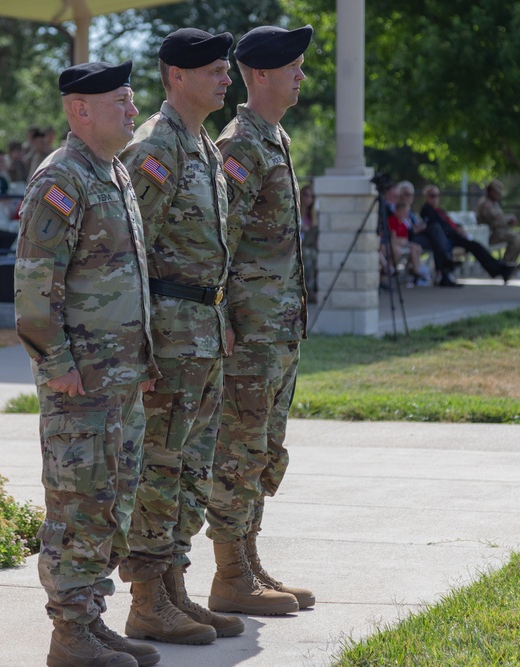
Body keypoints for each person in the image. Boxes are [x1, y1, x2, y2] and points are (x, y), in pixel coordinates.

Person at [13, 60, 161, 667]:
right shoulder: (62, 178)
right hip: (82, 385)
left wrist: (143, 359)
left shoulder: (115, 172)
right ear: (81, 110)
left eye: (132, 101)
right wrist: (59, 368)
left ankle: (92, 622)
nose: (133, 111)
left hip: (120, 381)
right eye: (122, 101)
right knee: (78, 504)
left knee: (113, 500)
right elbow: (31, 288)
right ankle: (69, 636)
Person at [116, 28, 242, 646]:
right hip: (168, 336)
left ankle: (175, 592)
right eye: (216, 71)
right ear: (176, 77)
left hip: (205, 333)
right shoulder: (154, 149)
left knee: (193, 468)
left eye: (226, 70)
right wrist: (140, 346)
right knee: (160, 469)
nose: (227, 79)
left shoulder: (204, 147)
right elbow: (132, 254)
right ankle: (145, 601)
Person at [206, 24, 316, 618]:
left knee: (266, 448)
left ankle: (248, 561)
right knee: (240, 450)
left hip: (277, 329)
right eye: (293, 66)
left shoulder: (275, 138)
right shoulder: (240, 145)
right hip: (248, 331)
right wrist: (222, 315)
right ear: (261, 74)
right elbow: (220, 237)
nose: (301, 75)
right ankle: (229, 576)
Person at [420, 185, 516, 283]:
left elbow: (449, 222)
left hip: (455, 235)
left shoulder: (439, 210)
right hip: (447, 238)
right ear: (426, 197)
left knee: (476, 246)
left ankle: (499, 269)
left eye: (437, 195)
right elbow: (436, 227)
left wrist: (459, 228)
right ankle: (500, 269)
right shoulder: (427, 210)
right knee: (475, 246)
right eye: (432, 195)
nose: (435, 198)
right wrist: (455, 230)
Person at [395, 181, 462, 287]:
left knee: (436, 239)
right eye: (407, 194)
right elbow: (401, 230)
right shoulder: (398, 210)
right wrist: (417, 229)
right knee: (435, 231)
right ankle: (445, 267)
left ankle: (444, 274)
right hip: (408, 239)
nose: (410, 197)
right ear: (400, 195)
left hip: (416, 238)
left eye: (412, 194)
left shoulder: (410, 212)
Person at [381, 192, 428, 286]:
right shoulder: (392, 220)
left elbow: (405, 239)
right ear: (397, 211)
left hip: (401, 243)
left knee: (416, 247)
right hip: (392, 244)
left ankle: (415, 270)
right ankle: (387, 273)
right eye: (404, 212)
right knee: (397, 251)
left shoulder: (403, 223)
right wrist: (402, 241)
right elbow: (393, 238)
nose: (406, 214)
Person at [476, 179, 520, 265]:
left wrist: (508, 221)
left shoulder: (494, 203)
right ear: (491, 191)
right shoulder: (486, 204)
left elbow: (500, 219)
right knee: (516, 239)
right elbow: (495, 221)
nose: (499, 195)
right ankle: (505, 264)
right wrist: (509, 219)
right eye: (497, 193)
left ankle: (510, 262)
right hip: (490, 235)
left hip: (499, 233)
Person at [299, 184, 319, 302]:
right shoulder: (297, 212)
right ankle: (309, 290)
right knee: (307, 254)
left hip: (309, 246)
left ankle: (314, 287)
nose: (308, 198)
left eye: (311, 196)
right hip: (300, 247)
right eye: (305, 195)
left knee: (315, 255)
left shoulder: (312, 215)